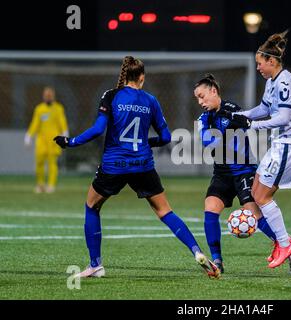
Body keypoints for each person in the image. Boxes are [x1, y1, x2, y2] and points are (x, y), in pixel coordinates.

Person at [53, 56, 220, 279]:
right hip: (143, 164)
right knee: (165, 211)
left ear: (124, 75)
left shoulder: (111, 95)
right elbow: (166, 137)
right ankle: (197, 251)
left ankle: (96, 265)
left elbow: (97, 130)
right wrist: (146, 142)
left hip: (115, 164)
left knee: (92, 206)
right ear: (142, 77)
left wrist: (70, 142)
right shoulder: (150, 100)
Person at [194, 74, 291, 275]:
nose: (200, 102)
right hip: (222, 173)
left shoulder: (233, 110)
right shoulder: (204, 119)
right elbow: (207, 141)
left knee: (256, 216)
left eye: (202, 96)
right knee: (210, 210)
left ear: (213, 91)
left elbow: (244, 122)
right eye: (197, 99)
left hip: (244, 171)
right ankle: (217, 260)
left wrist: (230, 126)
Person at [220, 30, 291, 270]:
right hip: (279, 144)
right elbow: (262, 108)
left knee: (262, 196)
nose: (258, 68)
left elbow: (282, 117)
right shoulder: (271, 82)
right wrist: (238, 115)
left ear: (272, 61)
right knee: (255, 195)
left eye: (260, 63)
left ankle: (285, 244)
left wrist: (251, 125)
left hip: (290, 143)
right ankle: (285, 246)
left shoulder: (286, 80)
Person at [25, 86, 68, 193]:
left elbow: (62, 122)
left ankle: (51, 185)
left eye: (50, 95)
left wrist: (65, 134)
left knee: (52, 163)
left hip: (54, 140)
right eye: (46, 95)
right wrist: (29, 135)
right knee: (39, 162)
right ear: (43, 96)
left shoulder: (58, 108)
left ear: (53, 96)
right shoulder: (39, 109)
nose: (48, 97)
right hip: (41, 140)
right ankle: (40, 184)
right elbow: (35, 124)